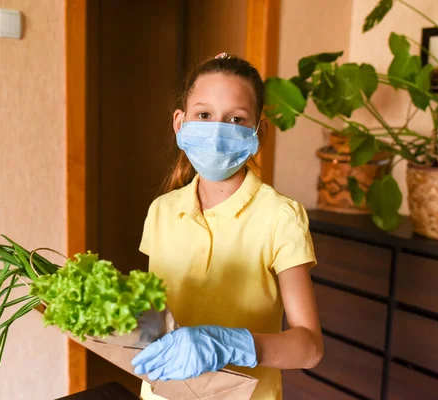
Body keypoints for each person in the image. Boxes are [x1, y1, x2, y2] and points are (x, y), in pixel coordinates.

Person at [131, 52, 323, 400]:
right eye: (204, 115)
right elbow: (155, 317)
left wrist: (229, 345)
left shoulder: (280, 217)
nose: (217, 130)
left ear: (258, 132)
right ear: (180, 122)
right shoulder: (161, 211)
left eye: (236, 119)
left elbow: (309, 347)